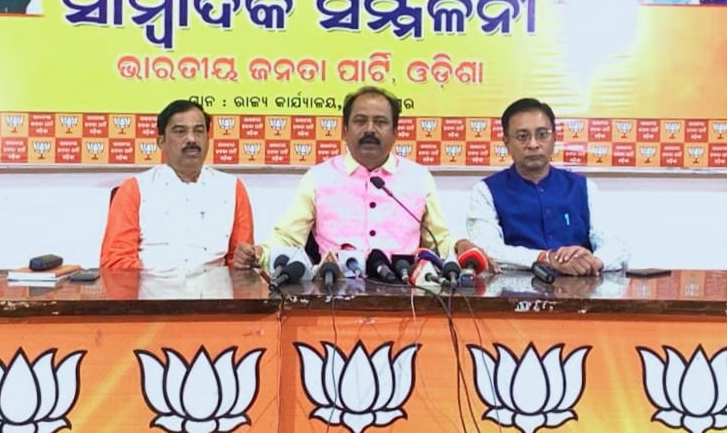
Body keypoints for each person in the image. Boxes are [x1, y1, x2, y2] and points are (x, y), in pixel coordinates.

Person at [234, 86, 484, 269]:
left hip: (405, 295)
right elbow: (288, 238)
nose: (369, 130)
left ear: (396, 132)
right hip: (334, 293)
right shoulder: (319, 178)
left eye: (380, 122)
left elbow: (439, 240)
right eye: (360, 121)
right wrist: (259, 253)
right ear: (345, 130)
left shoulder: (418, 179)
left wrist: (460, 245)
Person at [466, 98, 628, 276]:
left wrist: (593, 261)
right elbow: (486, 249)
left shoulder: (584, 188)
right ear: (506, 143)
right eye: (522, 136)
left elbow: (616, 247)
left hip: (582, 289)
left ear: (555, 138)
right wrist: (546, 258)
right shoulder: (486, 191)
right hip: (513, 290)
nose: (533, 144)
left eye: (542, 134)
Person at [100, 100, 254, 269]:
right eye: (180, 131)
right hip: (151, 284)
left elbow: (239, 261)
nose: (192, 139)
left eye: (199, 131)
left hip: (215, 284)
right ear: (161, 142)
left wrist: (243, 260)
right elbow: (116, 261)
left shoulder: (231, 188)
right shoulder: (135, 189)